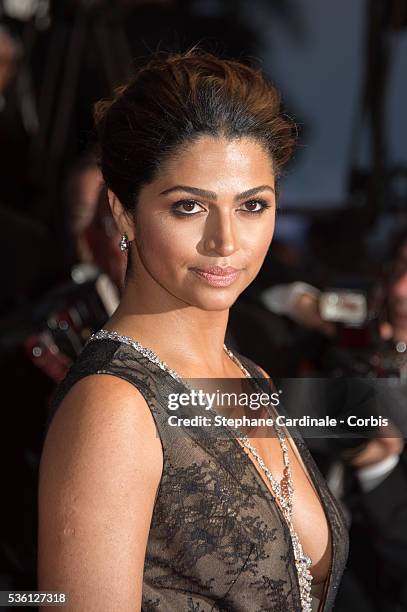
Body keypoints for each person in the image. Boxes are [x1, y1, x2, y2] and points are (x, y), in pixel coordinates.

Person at [38, 49, 349, 612]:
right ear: (125, 213)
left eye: (253, 205)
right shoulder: (114, 407)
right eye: (188, 207)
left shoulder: (247, 374)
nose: (226, 241)